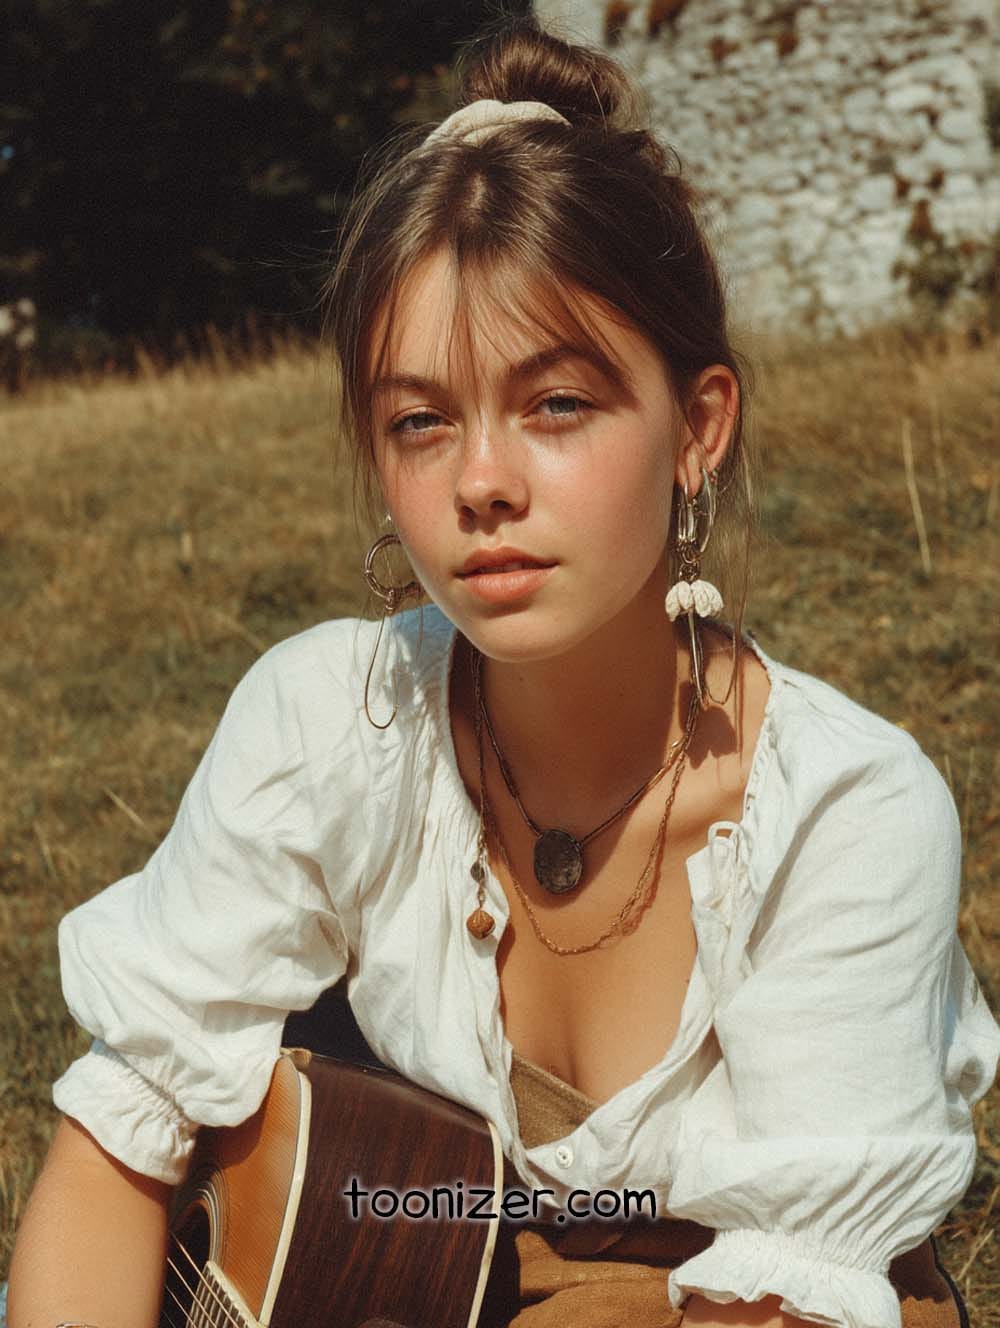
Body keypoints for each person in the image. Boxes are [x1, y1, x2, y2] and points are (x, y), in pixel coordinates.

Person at [7, 15, 1000, 1328]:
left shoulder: (845, 815)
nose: (481, 482)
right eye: (421, 422)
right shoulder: (328, 727)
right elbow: (120, 1146)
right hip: (412, 1257)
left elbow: (794, 1301)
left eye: (557, 406)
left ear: (697, 429)